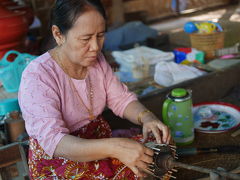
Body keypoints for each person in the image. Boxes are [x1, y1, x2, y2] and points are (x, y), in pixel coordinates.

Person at [18, 0, 171, 179]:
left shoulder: (96, 61)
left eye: (100, 36)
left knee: (157, 151)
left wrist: (147, 117)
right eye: (86, 38)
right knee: (139, 169)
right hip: (60, 159)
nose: (95, 47)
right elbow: (55, 142)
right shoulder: (38, 76)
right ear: (58, 34)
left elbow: (120, 99)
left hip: (98, 141)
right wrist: (115, 148)